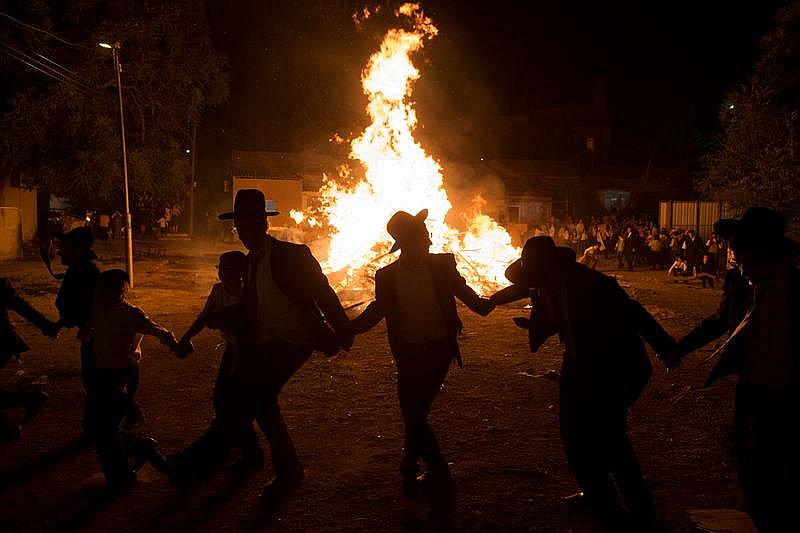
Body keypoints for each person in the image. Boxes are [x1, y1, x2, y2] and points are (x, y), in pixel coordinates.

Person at [491, 237, 675, 527]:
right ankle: (598, 496)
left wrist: (665, 346)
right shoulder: (544, 286)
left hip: (614, 364)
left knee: (611, 439)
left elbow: (633, 312)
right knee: (573, 435)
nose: (533, 283)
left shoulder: (593, 285)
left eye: (536, 276)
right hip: (579, 364)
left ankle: (641, 510)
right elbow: (552, 313)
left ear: (551, 269)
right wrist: (528, 321)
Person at [213, 189, 353, 505]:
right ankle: (252, 457)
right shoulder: (248, 263)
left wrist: (342, 330)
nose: (245, 233)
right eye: (240, 227)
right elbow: (253, 306)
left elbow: (324, 293)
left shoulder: (293, 255)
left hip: (294, 340)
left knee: (261, 398)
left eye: (251, 225)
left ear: (264, 223)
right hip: (263, 341)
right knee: (230, 396)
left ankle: (288, 470)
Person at [667, 208, 800, 532]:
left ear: (771, 252)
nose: (742, 268)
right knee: (750, 470)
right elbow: (720, 321)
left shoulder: (797, 289)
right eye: (738, 260)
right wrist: (678, 347)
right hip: (752, 388)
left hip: (791, 394)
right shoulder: (741, 282)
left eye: (749, 260)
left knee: (780, 470)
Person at [351, 209, 494, 500]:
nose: (429, 242)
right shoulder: (386, 276)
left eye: (428, 236)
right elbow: (378, 311)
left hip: (438, 348)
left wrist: (494, 300)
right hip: (408, 352)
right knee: (413, 411)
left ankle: (434, 466)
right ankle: (413, 462)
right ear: (408, 242)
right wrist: (346, 329)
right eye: (423, 237)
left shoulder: (442, 265)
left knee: (414, 411)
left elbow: (469, 296)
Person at [135, 251, 265, 482]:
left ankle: (250, 455)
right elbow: (205, 317)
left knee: (234, 404)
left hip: (250, 351)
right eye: (221, 267)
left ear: (243, 272)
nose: (223, 272)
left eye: (229, 268)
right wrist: (186, 338)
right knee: (224, 401)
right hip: (233, 347)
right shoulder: (218, 290)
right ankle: (238, 445)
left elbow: (246, 330)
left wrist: (237, 360)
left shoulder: (250, 294)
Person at [86, 269, 179, 492]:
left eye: (107, 288)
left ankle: (124, 474)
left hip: (121, 374)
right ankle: (139, 450)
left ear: (121, 291)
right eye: (100, 288)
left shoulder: (130, 314)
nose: (101, 292)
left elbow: (157, 330)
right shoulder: (95, 309)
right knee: (97, 426)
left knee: (104, 428)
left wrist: (176, 346)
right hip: (101, 374)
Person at [53, 227, 101, 436]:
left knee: (95, 381)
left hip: (96, 334)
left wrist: (66, 322)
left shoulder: (87, 271)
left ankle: (96, 428)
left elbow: (87, 306)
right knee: (94, 380)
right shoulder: (80, 269)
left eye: (64, 248)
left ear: (77, 249)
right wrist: (60, 323)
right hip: (91, 331)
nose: (59, 252)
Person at [1, 278, 60, 442]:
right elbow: (23, 308)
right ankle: (9, 423)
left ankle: (26, 402)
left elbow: (23, 308)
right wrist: (46, 326)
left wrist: (46, 326)